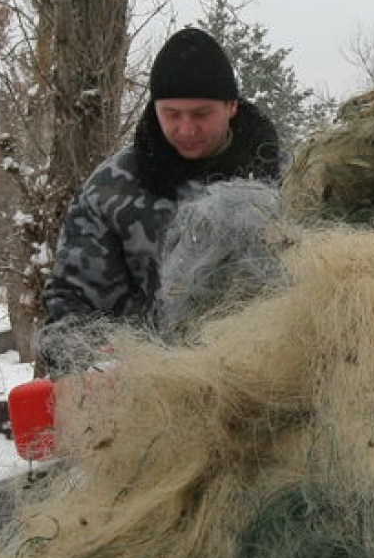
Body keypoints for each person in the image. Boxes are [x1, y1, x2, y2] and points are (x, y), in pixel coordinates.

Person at [40, 26, 280, 359]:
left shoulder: (288, 180)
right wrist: (95, 358)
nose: (186, 129)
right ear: (154, 109)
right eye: (171, 114)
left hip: (266, 381)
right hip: (148, 390)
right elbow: (69, 308)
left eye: (201, 114)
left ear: (231, 106)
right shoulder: (112, 188)